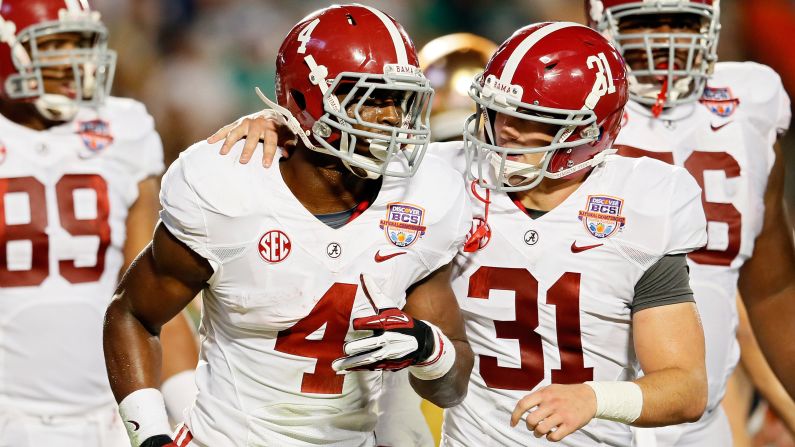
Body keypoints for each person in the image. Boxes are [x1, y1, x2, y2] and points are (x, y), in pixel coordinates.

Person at [210, 21, 710, 446]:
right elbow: (334, 147)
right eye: (496, 111)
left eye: (531, 120)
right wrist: (284, 126)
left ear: (589, 132)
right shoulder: (439, 179)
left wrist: (594, 396)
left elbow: (686, 388)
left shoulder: (644, 200)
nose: (503, 131)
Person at [103, 5, 474, 447]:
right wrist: (149, 437)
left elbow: (451, 387)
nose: (393, 118)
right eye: (372, 99)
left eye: (401, 99)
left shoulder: (423, 198)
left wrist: (428, 350)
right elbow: (132, 315)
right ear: (303, 100)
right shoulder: (230, 187)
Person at [586, 0, 795, 444]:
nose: (665, 40)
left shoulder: (749, 107)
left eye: (682, 22)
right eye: (643, 22)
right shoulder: (559, 107)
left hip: (699, 426)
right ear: (599, 23)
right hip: (579, 423)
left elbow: (773, 288)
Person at [0, 1, 199, 446]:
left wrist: (187, 412)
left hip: (108, 414)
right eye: (55, 45)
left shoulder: (122, 127)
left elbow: (150, 296)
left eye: (82, 44)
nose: (75, 62)